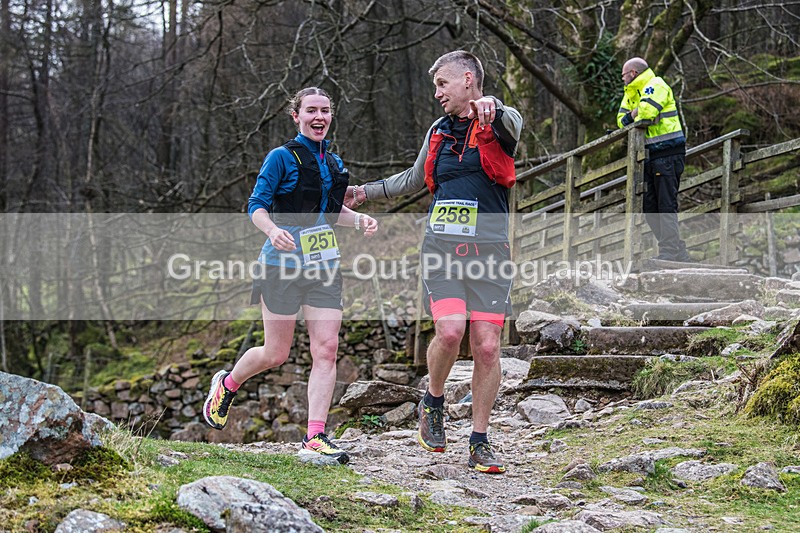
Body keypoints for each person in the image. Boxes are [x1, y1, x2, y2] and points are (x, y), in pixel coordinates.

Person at [345, 51, 522, 474]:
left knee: (487, 346)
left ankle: (479, 440)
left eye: (443, 84)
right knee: (450, 331)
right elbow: (413, 176)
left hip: (490, 253)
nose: (437, 93)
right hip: (442, 251)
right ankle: (433, 401)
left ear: (468, 79)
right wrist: (365, 192)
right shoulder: (438, 130)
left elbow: (506, 119)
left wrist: (492, 106)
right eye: (435, 86)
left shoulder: (502, 120)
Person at [203, 87, 378, 464]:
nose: (319, 117)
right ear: (296, 116)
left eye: (325, 110)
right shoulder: (281, 157)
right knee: (276, 353)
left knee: (326, 348)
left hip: (323, 265)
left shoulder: (334, 162)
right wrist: (272, 231)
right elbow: (256, 205)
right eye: (311, 110)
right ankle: (227, 384)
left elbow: (331, 213)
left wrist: (359, 220)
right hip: (280, 265)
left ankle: (315, 435)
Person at [617, 57, 694, 263]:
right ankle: (677, 250)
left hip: (667, 153)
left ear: (633, 73)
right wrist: (634, 114)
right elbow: (620, 121)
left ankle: (670, 251)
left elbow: (647, 113)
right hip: (648, 155)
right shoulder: (631, 94)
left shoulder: (656, 84)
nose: (622, 79)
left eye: (623, 75)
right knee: (649, 206)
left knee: (665, 204)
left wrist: (633, 114)